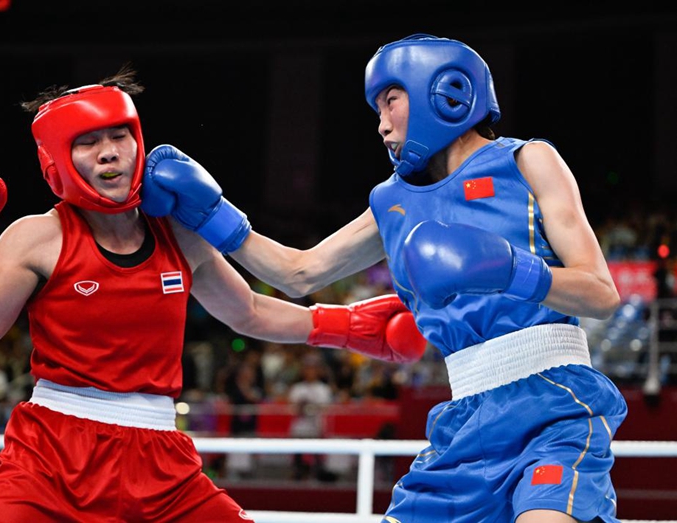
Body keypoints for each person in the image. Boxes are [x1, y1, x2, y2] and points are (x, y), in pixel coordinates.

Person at [139, 34, 629, 523]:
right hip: (466, 418)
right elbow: (298, 271)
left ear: (445, 91)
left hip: (554, 402)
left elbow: (602, 293)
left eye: (390, 101)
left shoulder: (526, 161)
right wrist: (210, 215)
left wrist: (510, 268)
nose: (381, 124)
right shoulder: (393, 202)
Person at [0, 66, 426, 522]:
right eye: (88, 141)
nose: (109, 152)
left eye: (119, 135)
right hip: (50, 457)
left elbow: (248, 311)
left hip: (162, 463)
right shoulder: (37, 237)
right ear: (56, 159)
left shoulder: (179, 231)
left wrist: (350, 326)